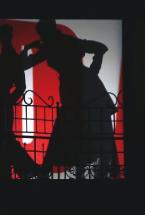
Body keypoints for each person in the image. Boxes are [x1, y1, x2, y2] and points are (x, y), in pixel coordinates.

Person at [24, 19, 115, 179]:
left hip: (74, 87)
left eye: (42, 34)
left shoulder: (51, 46)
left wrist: (27, 49)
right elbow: (101, 48)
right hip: (85, 84)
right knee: (91, 128)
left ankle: (47, 170)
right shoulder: (67, 42)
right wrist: (92, 73)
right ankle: (96, 171)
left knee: (69, 126)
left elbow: (27, 64)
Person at [0, 24, 40, 180]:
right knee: (0, 139)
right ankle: (22, 169)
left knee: (2, 140)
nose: (1, 40)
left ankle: (25, 168)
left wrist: (8, 101)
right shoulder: (8, 56)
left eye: (2, 37)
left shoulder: (10, 57)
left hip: (0, 104)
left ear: (7, 37)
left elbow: (20, 86)